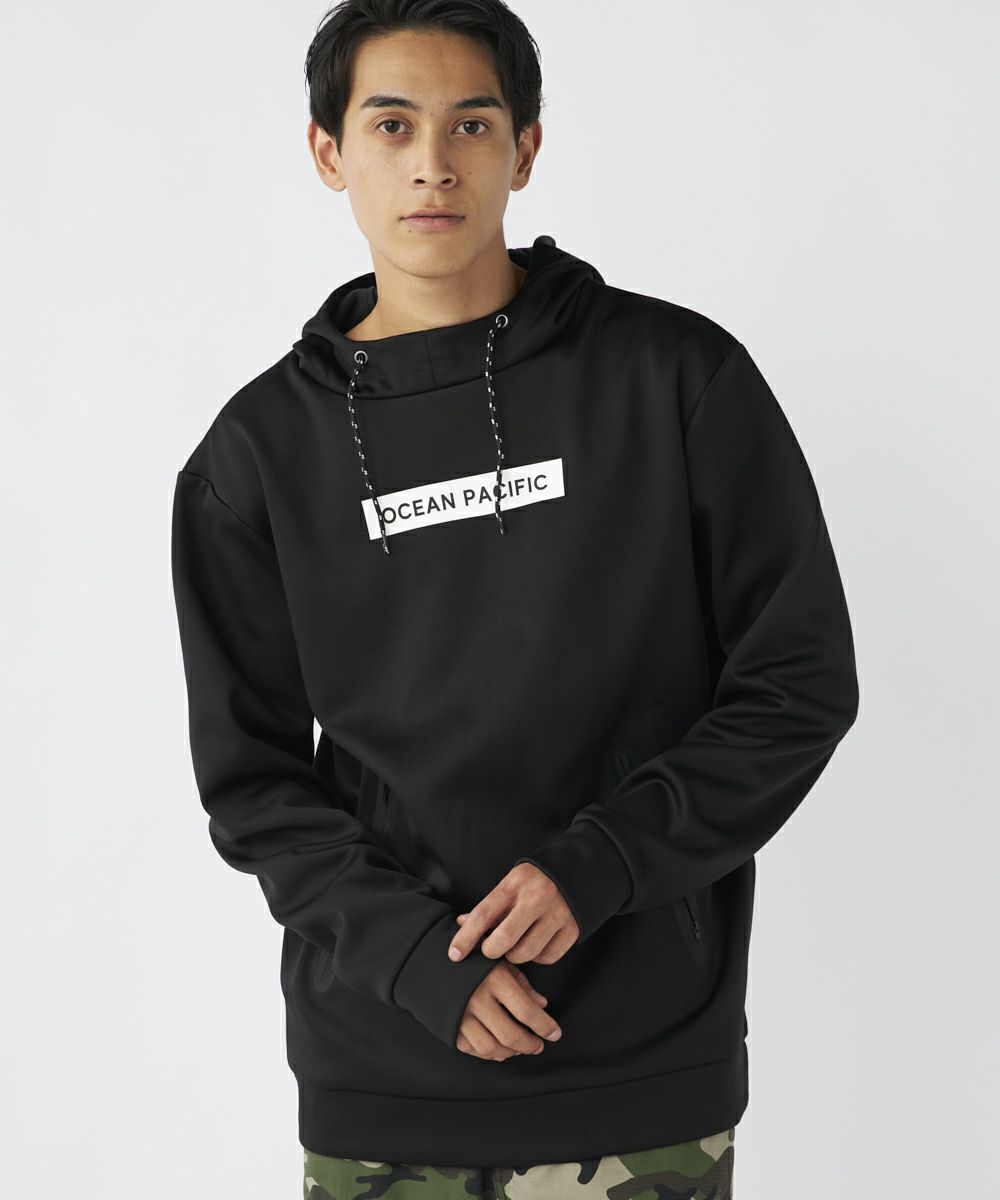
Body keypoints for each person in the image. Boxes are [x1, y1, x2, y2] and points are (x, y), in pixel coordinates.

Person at [169, 2, 860, 1197]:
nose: (432, 165)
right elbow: (254, 780)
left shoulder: (675, 380)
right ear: (330, 151)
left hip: (646, 1062)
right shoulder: (256, 455)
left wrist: (599, 867)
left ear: (524, 148)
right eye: (392, 125)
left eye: (472, 125)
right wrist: (413, 956)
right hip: (385, 1066)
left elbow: (796, 685)